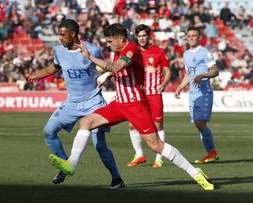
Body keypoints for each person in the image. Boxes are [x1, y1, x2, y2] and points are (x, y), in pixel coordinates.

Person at [49, 23, 214, 190]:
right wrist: (106, 75)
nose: (108, 45)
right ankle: (71, 164)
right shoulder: (117, 51)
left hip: (135, 104)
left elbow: (116, 66)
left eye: (110, 41)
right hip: (119, 103)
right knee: (86, 122)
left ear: (121, 39)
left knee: (156, 145)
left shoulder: (132, 49)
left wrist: (89, 56)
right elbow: (114, 70)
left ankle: (195, 173)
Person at [28, 19, 124, 188]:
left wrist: (105, 75)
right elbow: (54, 68)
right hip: (71, 103)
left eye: (62, 34)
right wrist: (39, 74)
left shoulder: (92, 49)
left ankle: (117, 178)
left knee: (99, 145)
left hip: (94, 102)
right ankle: (66, 166)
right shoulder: (59, 51)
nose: (59, 38)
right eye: (59, 34)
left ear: (73, 34)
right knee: (48, 132)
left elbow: (105, 67)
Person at [126, 24, 171, 168]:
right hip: (138, 94)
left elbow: (168, 71)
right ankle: (139, 155)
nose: (142, 38)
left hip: (154, 93)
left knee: (157, 125)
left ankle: (159, 158)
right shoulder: (133, 51)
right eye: (139, 36)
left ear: (149, 36)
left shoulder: (158, 51)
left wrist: (163, 84)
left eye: (144, 35)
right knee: (132, 124)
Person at [175, 26, 219, 164]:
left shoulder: (204, 52)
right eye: (189, 36)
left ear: (199, 37)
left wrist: (203, 75)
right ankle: (211, 153)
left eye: (194, 36)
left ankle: (212, 152)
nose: (191, 38)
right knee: (197, 123)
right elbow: (189, 75)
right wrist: (180, 87)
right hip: (192, 94)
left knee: (200, 122)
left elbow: (215, 70)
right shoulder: (186, 54)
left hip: (204, 91)